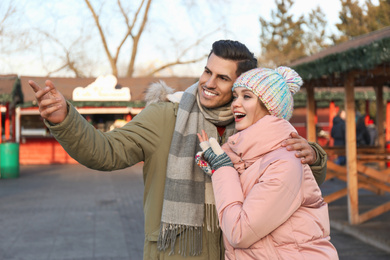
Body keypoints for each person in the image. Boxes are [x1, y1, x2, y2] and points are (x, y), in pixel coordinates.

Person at [28, 40, 328, 259]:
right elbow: (105, 151)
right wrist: (66, 119)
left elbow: (289, 186)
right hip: (176, 253)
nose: (208, 83)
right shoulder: (165, 116)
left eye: (223, 78)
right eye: (207, 71)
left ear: (241, 86)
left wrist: (313, 156)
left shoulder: (255, 127)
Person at [196, 67, 338, 259]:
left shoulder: (285, 162)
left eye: (247, 97)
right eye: (235, 96)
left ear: (270, 107)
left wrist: (222, 169)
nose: (235, 104)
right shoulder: (245, 155)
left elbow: (239, 233)